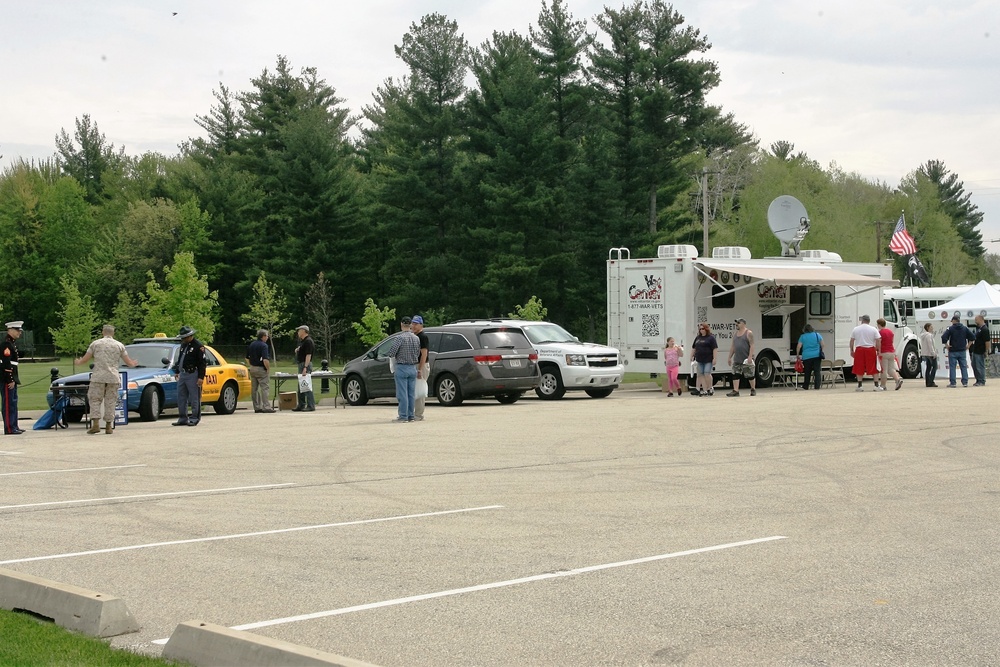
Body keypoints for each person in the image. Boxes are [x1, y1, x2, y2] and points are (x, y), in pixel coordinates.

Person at [75, 324, 139, 434]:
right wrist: (133, 363)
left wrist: (79, 362)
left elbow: (86, 358)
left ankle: (95, 424)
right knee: (111, 401)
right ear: (113, 333)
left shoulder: (95, 344)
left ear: (103, 332)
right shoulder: (119, 345)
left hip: (98, 376)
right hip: (113, 377)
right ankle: (109, 426)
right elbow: (128, 362)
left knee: (94, 399)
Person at [172, 325, 207, 426]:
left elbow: (202, 363)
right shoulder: (183, 345)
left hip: (193, 373)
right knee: (181, 396)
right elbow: (180, 359)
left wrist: (201, 377)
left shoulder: (198, 346)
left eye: (184, 337)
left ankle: (194, 417)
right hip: (183, 373)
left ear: (190, 336)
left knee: (194, 397)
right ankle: (183, 417)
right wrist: (177, 371)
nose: (182, 339)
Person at [387, 325, 421, 422]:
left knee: (402, 393)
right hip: (412, 367)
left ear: (401, 325)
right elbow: (418, 353)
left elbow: (392, 353)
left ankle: (403, 415)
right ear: (410, 325)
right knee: (411, 394)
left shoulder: (399, 338)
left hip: (402, 367)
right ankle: (411, 415)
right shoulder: (416, 338)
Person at [2, 321, 24, 435]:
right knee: (8, 403)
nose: (19, 333)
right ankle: (9, 428)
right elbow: (6, 364)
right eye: (17, 330)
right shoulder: (7, 344)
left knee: (13, 402)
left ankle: (14, 425)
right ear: (10, 330)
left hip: (13, 378)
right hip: (7, 379)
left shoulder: (12, 343)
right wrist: (10, 379)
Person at [244, 329, 274, 413]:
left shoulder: (252, 344)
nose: (267, 338)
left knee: (254, 389)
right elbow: (265, 359)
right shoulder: (264, 346)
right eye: (267, 336)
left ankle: (257, 407)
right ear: (263, 336)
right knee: (264, 388)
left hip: (252, 368)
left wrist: (251, 364)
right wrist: (268, 368)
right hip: (261, 368)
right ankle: (266, 406)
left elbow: (247, 357)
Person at [850, 315, 881, 392]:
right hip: (870, 349)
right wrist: (878, 350)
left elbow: (852, 341)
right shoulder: (873, 329)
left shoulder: (856, 329)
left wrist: (851, 350)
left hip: (859, 349)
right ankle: (876, 385)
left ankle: (860, 385)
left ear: (862, 320)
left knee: (859, 367)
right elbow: (878, 340)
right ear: (869, 321)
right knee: (873, 367)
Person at [941, 315, 974, 388]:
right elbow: (972, 337)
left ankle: (953, 383)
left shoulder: (950, 328)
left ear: (954, 320)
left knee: (952, 367)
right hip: (962, 350)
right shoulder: (965, 328)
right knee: (963, 367)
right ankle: (965, 382)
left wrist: (946, 345)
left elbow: (944, 337)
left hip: (953, 350)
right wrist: (968, 345)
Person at [727, 318, 757, 397]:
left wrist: (750, 356)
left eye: (738, 323)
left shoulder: (748, 333)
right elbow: (733, 346)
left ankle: (753, 389)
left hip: (746, 359)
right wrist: (729, 357)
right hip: (737, 358)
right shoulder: (735, 334)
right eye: (736, 323)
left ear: (743, 324)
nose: (737, 324)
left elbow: (752, 345)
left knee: (750, 375)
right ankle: (736, 390)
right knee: (735, 374)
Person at [411, 315, 430, 420]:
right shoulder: (414, 336)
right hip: (415, 364)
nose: (413, 326)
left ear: (421, 325)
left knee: (420, 390)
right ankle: (414, 412)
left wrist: (420, 369)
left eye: (416, 324)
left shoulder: (422, 337)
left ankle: (419, 414)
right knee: (415, 390)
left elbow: (424, 354)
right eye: (412, 323)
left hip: (421, 365)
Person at [690, 323, 718, 396]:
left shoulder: (711, 338)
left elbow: (715, 348)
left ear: (706, 329)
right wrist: (691, 355)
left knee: (707, 373)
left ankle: (710, 387)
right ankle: (705, 390)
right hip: (699, 359)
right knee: (700, 374)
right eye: (700, 329)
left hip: (708, 359)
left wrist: (715, 358)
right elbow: (694, 347)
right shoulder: (698, 338)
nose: (701, 330)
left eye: (703, 329)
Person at [795, 324, 825, 390]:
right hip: (817, 356)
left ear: (804, 330)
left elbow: (799, 346)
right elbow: (823, 344)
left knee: (807, 372)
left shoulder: (802, 336)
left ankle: (806, 386)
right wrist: (821, 351)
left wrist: (797, 354)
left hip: (806, 356)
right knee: (817, 372)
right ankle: (817, 386)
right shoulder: (817, 335)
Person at [876, 318, 903, 391]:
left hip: (884, 352)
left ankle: (883, 385)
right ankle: (897, 380)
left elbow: (879, 342)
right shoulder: (890, 332)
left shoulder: (880, 333)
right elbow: (892, 341)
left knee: (884, 370)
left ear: (879, 325)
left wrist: (879, 351)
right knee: (891, 369)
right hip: (892, 351)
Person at [294, 325, 316, 411]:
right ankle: (301, 404)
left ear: (304, 331)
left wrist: (305, 367)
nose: (298, 332)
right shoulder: (303, 342)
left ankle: (311, 405)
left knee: (306, 385)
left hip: (305, 364)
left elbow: (308, 355)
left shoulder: (308, 341)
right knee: (301, 385)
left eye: (299, 331)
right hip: (301, 364)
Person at [970, 315, 989, 387]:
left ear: (981, 319)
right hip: (975, 350)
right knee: (974, 365)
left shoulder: (985, 329)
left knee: (979, 366)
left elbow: (987, 341)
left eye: (976, 320)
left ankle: (982, 380)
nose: (975, 321)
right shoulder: (979, 329)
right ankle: (978, 379)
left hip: (980, 351)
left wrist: (986, 351)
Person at [919, 322, 938, 387]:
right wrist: (933, 353)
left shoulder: (923, 336)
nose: (932, 328)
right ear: (928, 328)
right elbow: (930, 345)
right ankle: (931, 381)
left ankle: (927, 382)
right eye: (931, 327)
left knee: (928, 367)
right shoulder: (929, 335)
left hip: (925, 353)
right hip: (930, 354)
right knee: (935, 367)